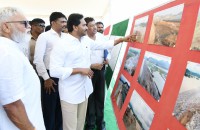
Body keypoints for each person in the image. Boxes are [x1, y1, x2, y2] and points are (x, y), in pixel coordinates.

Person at [49, 13, 135, 130]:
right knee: (70, 127)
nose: (87, 28)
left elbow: (102, 44)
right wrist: (79, 70)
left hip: (84, 90)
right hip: (70, 94)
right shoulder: (61, 44)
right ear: (75, 27)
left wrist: (122, 39)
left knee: (79, 125)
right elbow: (54, 71)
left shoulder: (85, 40)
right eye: (84, 25)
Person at [0, 7, 45, 130]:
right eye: (24, 23)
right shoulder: (6, 52)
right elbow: (12, 104)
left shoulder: (10, 48)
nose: (29, 27)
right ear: (6, 27)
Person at [34, 12, 67, 130]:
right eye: (62, 21)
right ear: (53, 22)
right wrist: (46, 78)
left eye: (65, 22)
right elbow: (38, 60)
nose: (65, 24)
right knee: (49, 109)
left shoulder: (66, 37)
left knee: (61, 108)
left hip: (63, 76)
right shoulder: (44, 36)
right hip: (50, 77)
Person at [84, 17, 109, 130]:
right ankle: (90, 123)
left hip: (101, 71)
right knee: (90, 98)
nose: (94, 27)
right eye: (91, 25)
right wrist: (91, 65)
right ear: (86, 27)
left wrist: (107, 58)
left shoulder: (101, 37)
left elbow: (108, 50)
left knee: (100, 97)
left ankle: (100, 123)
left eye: (95, 25)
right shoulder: (82, 39)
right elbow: (79, 58)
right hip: (88, 72)